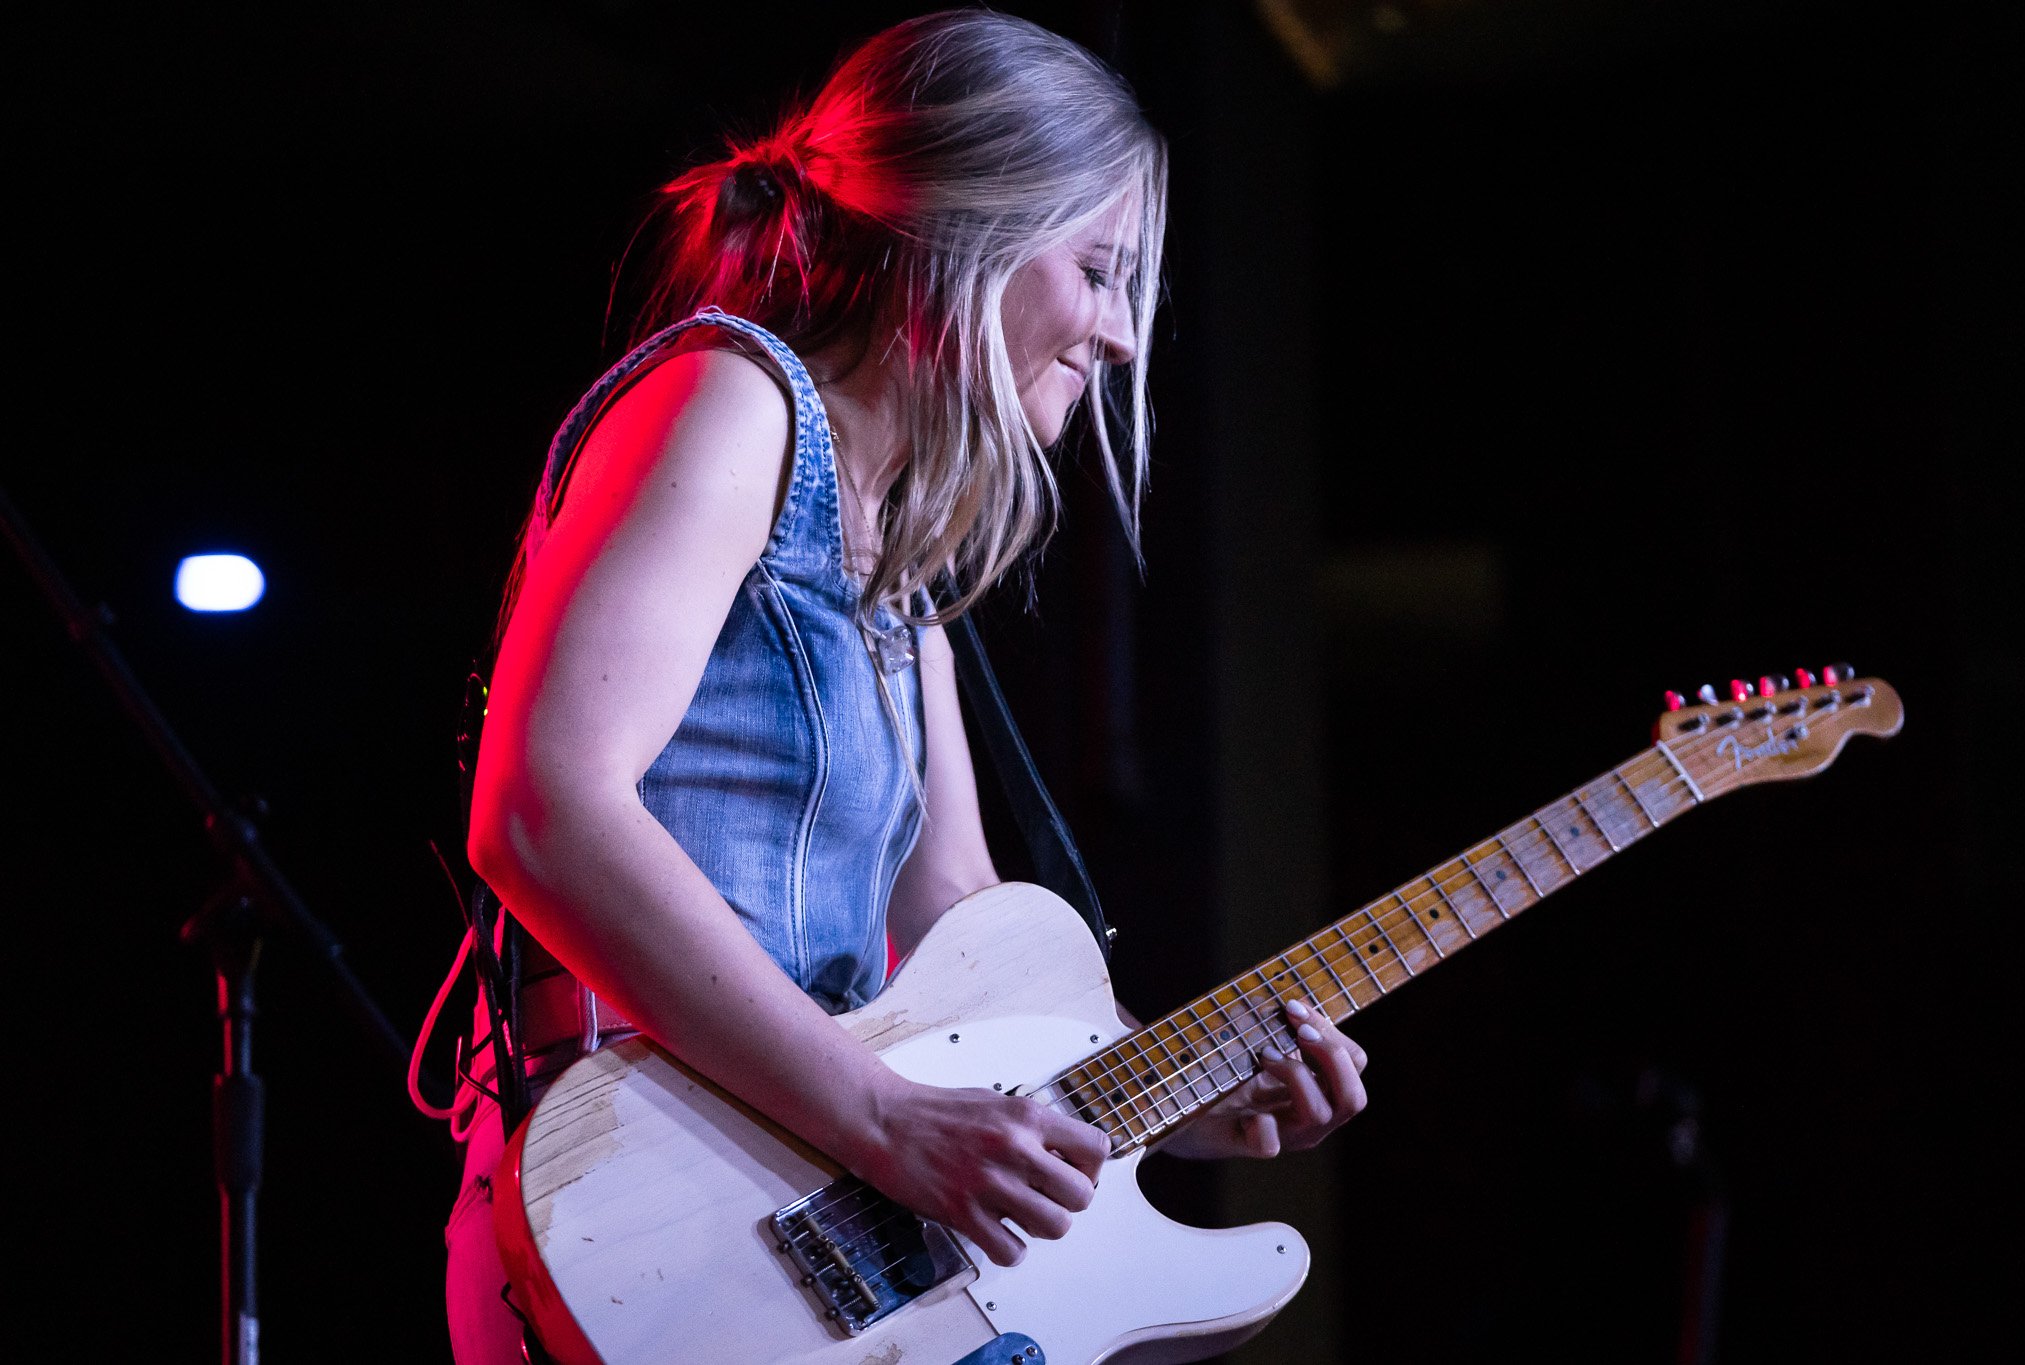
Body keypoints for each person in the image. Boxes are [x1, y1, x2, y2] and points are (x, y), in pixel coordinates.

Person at [442, 10, 1368, 1361]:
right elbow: (541, 808)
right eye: (1099, 272)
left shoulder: (903, 557)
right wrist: (881, 1118)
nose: (1121, 335)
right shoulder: (733, 402)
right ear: (965, 232)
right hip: (642, 1215)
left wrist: (1188, 1092)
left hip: (803, 1223)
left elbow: (966, 926)